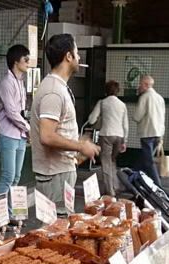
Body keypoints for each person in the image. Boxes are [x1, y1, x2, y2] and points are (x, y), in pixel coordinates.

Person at [30, 33, 100, 217]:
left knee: (58, 227)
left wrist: (76, 148)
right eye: (76, 53)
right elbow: (47, 136)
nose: (79, 58)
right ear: (68, 56)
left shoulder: (57, 87)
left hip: (59, 172)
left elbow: (56, 131)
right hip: (55, 175)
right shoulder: (53, 91)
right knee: (55, 230)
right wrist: (80, 146)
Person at [0, 44, 30, 204]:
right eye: (26, 60)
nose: (28, 63)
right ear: (16, 62)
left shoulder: (20, 82)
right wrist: (28, 127)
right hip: (8, 134)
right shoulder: (6, 83)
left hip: (20, 135)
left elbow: (20, 111)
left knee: (16, 177)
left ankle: (10, 214)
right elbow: (12, 112)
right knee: (8, 175)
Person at [86, 80, 128, 195]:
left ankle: (110, 190)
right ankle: (116, 185)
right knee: (113, 160)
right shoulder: (122, 105)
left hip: (106, 135)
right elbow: (125, 125)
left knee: (106, 162)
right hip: (119, 136)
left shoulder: (102, 102)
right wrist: (125, 141)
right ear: (117, 91)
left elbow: (91, 119)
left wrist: (97, 119)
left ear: (106, 91)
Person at [134, 74, 165, 187]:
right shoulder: (160, 98)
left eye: (141, 84)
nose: (139, 86)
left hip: (147, 133)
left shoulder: (144, 97)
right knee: (144, 159)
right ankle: (133, 179)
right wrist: (162, 135)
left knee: (148, 161)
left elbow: (137, 116)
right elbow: (162, 117)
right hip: (158, 133)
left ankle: (158, 186)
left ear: (146, 85)